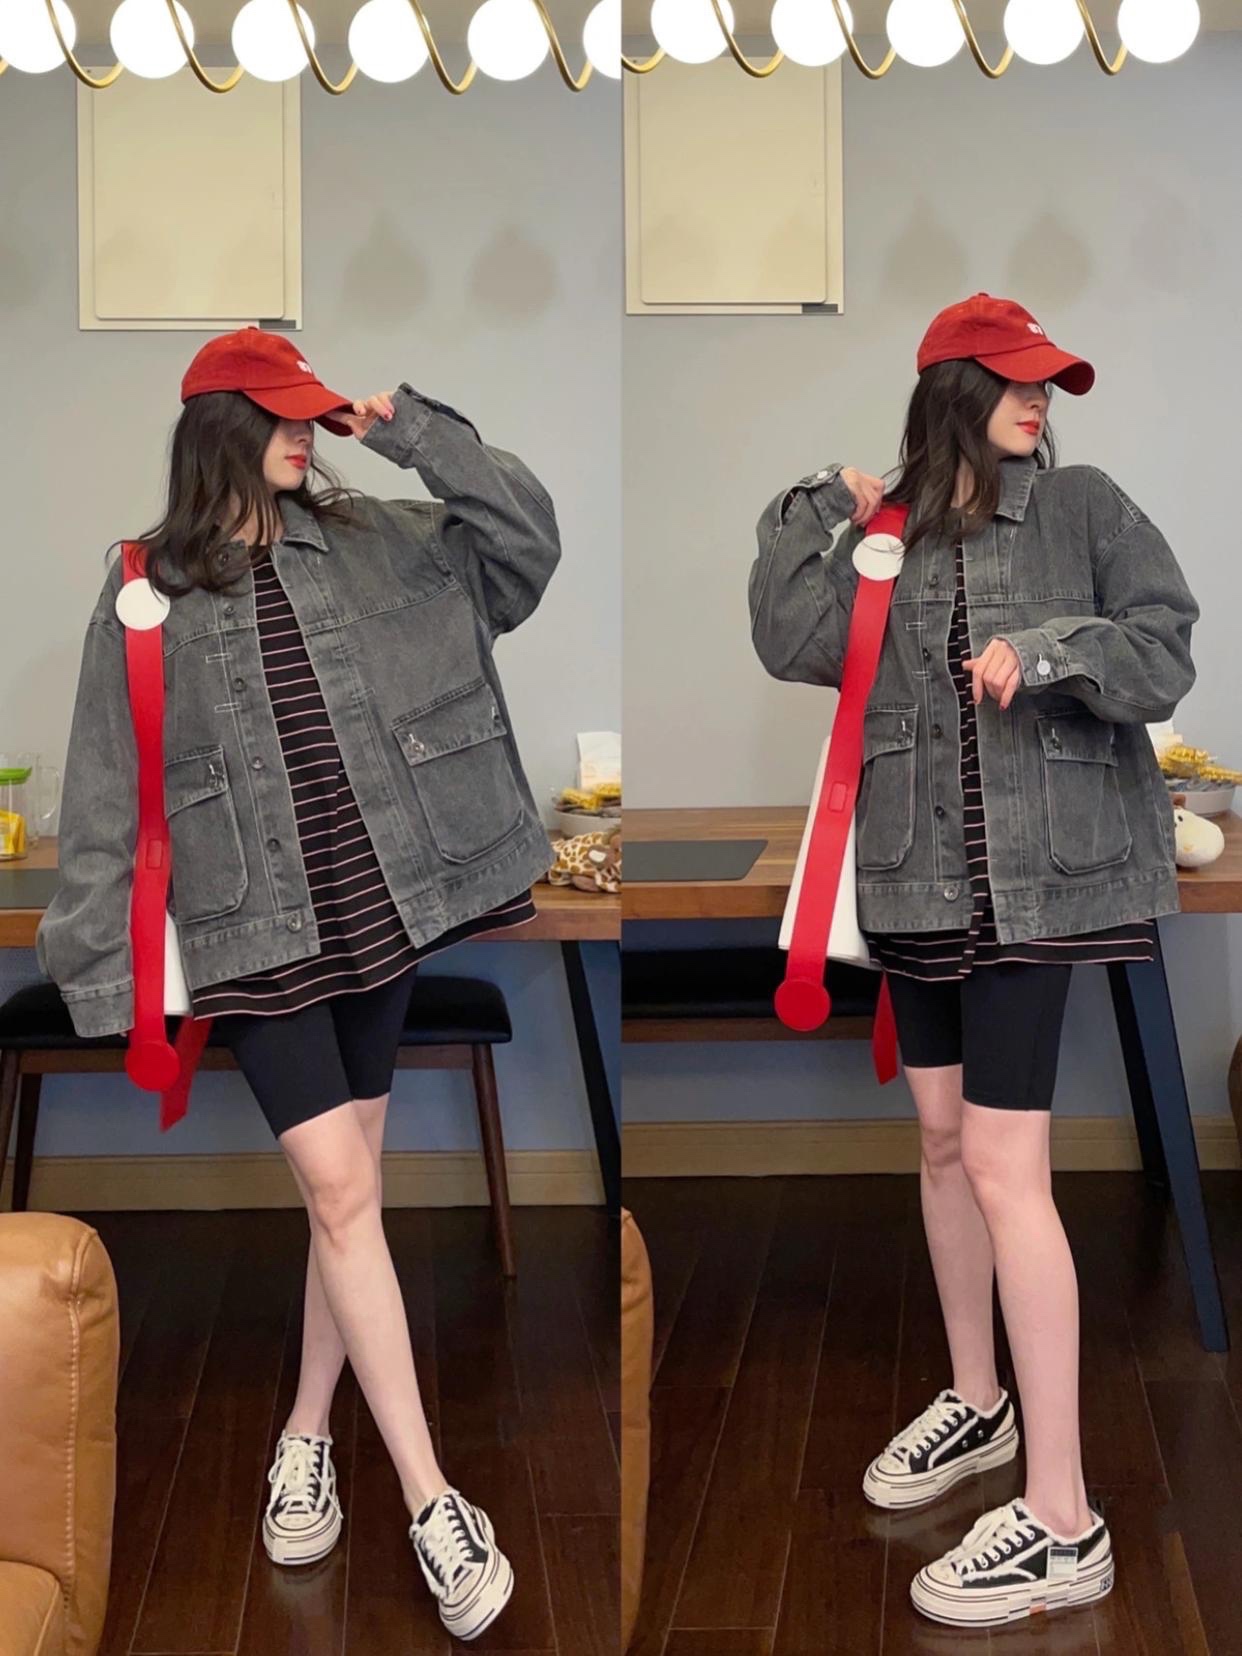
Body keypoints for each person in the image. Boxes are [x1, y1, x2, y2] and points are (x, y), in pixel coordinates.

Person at [38, 326, 562, 1642]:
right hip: (251, 932)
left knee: (349, 1204)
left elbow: (524, 547)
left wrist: (414, 432)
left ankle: (305, 1432)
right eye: (279, 415)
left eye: (310, 414)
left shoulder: (382, 538)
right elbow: (105, 783)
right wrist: (104, 976)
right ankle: (434, 1499)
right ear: (217, 429)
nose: (303, 434)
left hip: (379, 909)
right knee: (341, 1193)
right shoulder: (144, 587)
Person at [749, 294, 1198, 1629]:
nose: (1038, 401)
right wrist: (814, 503)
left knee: (1006, 1170)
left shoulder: (1083, 509)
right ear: (950, 391)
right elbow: (786, 639)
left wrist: (1048, 651)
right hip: (914, 878)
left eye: (1047, 384)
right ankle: (978, 1399)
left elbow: (1164, 651)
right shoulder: (883, 535)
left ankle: (1063, 1521)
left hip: (1038, 887)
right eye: (1014, 381)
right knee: (943, 1145)